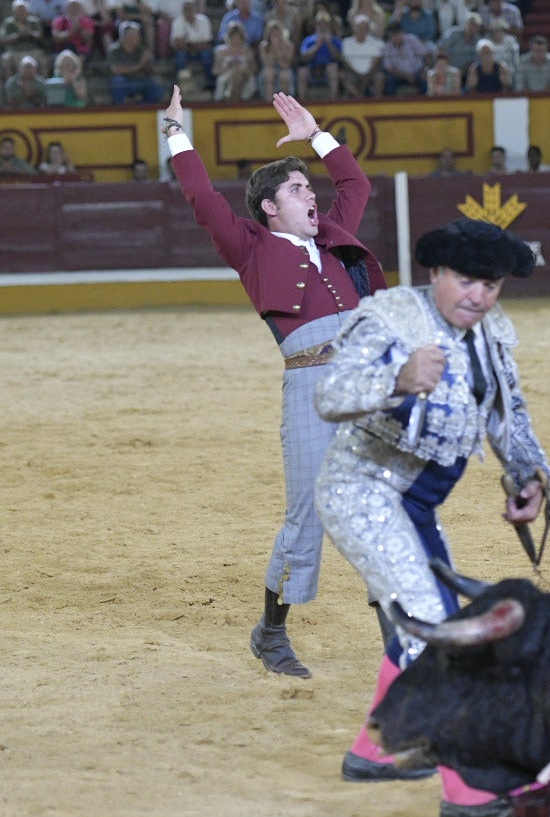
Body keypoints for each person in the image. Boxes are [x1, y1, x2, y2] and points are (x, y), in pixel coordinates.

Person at [313, 218, 550, 817]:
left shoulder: (491, 333)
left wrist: (527, 478)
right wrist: (396, 380)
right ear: (437, 274)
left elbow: (507, 414)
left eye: (492, 286)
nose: (478, 297)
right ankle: (470, 790)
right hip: (361, 490)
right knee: (437, 631)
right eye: (467, 282)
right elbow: (330, 394)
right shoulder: (391, 317)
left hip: (414, 504)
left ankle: (376, 749)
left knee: (432, 619)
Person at [163, 86, 388, 680]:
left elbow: (355, 185)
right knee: (308, 516)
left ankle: (401, 637)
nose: (309, 195)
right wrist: (175, 134)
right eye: (295, 189)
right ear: (269, 207)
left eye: (308, 187)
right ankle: (270, 633)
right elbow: (203, 198)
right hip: (311, 389)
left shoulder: (333, 234)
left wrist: (317, 136)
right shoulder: (251, 248)